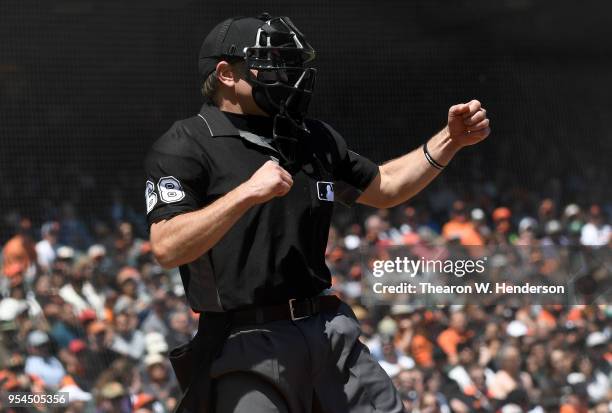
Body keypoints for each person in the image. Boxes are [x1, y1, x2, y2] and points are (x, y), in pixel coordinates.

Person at [144, 13, 491, 413]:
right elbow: (167, 246)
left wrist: (450, 140)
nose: (288, 71)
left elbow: (386, 186)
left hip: (327, 328)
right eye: (271, 60)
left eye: (290, 59)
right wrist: (246, 193)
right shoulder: (186, 142)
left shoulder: (312, 136)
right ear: (225, 73)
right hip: (245, 337)